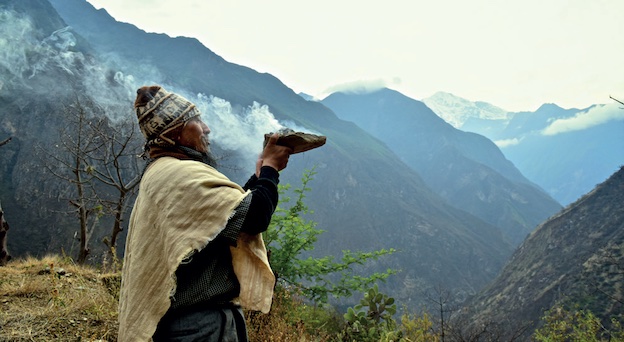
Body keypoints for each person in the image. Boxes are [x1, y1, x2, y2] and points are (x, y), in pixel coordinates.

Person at [118, 85, 292, 341]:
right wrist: (271, 171)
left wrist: (259, 177)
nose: (206, 128)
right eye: (195, 120)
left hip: (191, 324)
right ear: (175, 133)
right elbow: (254, 218)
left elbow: (223, 219)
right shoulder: (179, 174)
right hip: (199, 327)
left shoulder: (164, 171)